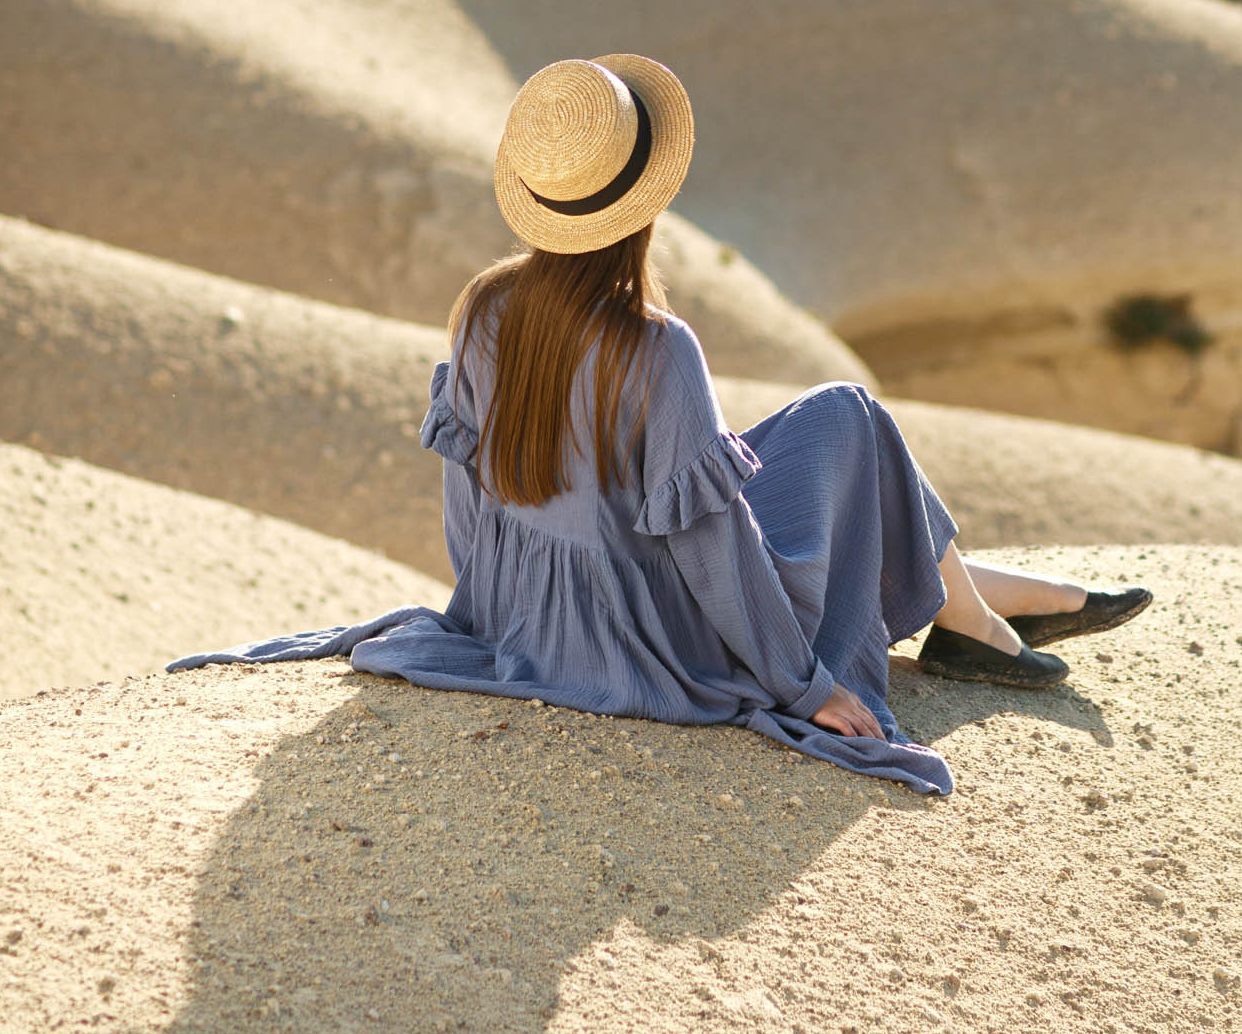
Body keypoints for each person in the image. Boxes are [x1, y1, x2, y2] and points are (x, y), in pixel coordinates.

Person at [173, 55, 1151, 796]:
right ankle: (976, 614)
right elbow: (709, 539)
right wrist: (803, 687)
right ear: (643, 202)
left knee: (824, 428)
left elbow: (467, 502)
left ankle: (978, 606)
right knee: (848, 415)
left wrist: (490, 615)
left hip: (524, 613)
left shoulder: (481, 307)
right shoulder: (655, 348)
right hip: (655, 627)